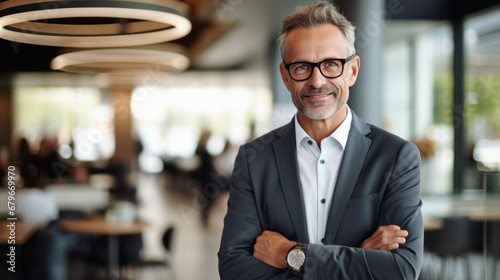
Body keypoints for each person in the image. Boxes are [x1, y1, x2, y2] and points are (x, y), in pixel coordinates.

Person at [218, 2, 423, 279]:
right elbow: (233, 268)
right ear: (286, 77)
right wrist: (358, 256)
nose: (316, 81)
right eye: (302, 67)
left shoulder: (396, 155)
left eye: (330, 64)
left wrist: (289, 255)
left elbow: (401, 269)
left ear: (352, 71)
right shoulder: (254, 159)